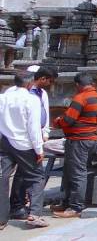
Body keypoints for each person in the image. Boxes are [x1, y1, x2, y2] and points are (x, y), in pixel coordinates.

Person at [52, 73, 97, 218]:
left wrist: (57, 121)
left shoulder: (80, 98)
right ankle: (67, 202)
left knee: (77, 173)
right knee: (72, 171)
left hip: (79, 140)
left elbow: (68, 120)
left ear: (77, 85)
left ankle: (76, 207)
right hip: (90, 138)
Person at [9, 65, 57, 220]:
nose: (50, 84)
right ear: (41, 78)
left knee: (25, 174)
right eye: (49, 80)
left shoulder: (41, 94)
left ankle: (22, 204)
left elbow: (45, 113)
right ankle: (18, 206)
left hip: (34, 137)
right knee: (24, 175)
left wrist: (45, 133)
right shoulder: (18, 94)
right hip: (19, 138)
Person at [0, 71, 48, 229]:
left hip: (5, 141)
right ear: (30, 84)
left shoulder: (4, 96)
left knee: (3, 178)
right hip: (25, 144)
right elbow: (33, 127)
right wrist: (39, 149)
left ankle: (1, 218)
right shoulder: (31, 99)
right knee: (37, 177)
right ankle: (34, 214)